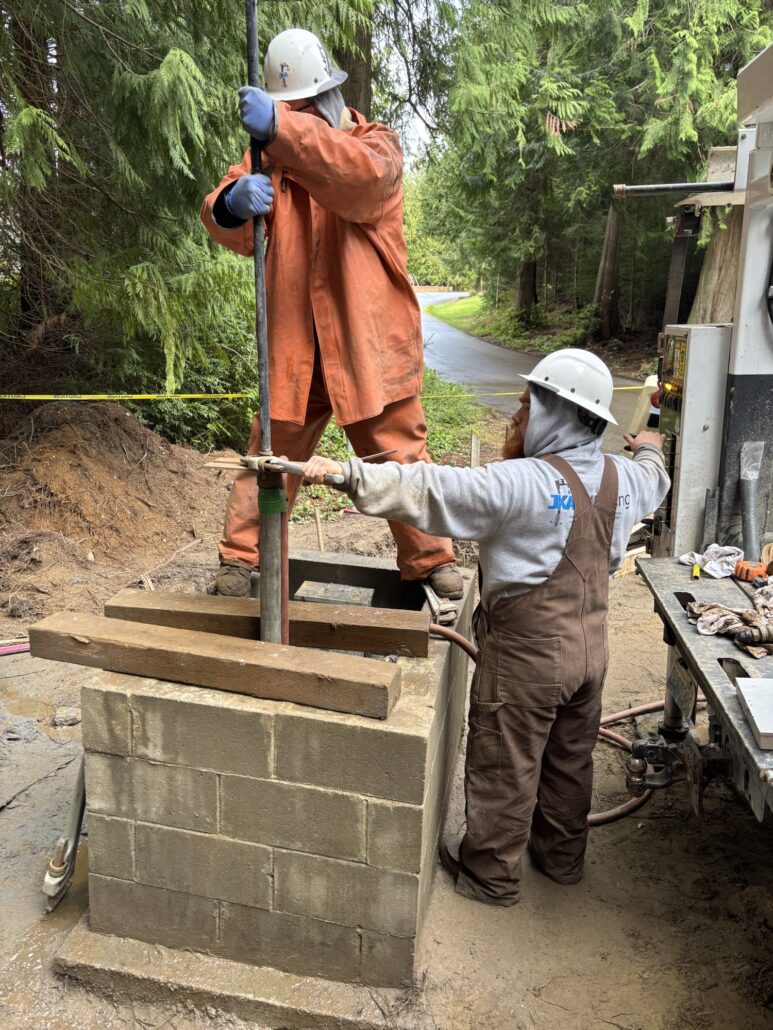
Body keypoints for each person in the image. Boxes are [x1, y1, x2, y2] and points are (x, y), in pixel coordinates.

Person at [303, 349, 670, 906]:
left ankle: (490, 878)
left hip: (528, 658)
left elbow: (431, 488)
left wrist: (344, 473)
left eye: (527, 404)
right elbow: (655, 473)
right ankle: (562, 860)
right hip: (591, 652)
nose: (516, 415)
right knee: (570, 760)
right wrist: (650, 442)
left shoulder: (518, 483)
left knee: (505, 764)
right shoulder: (627, 477)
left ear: (558, 412)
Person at [200, 28, 462, 600]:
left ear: (327, 98)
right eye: (286, 111)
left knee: (399, 454)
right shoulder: (269, 161)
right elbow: (230, 226)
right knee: (269, 457)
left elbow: (355, 180)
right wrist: (231, 205)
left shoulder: (377, 148)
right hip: (297, 347)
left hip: (367, 347)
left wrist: (280, 129)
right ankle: (242, 559)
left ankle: (431, 559)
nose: (293, 121)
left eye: (299, 110)